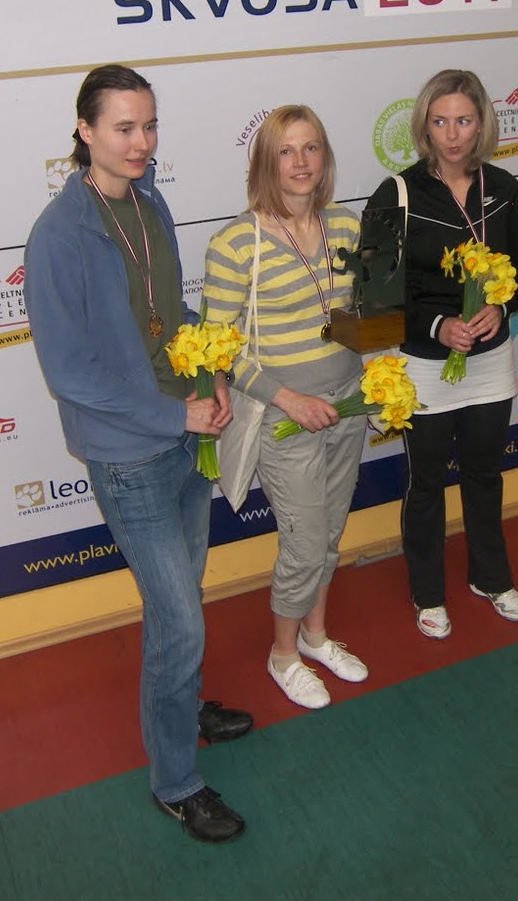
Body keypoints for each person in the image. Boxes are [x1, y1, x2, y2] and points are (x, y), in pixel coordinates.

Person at [23, 64, 252, 845]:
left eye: (149, 126)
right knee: (179, 618)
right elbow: (69, 372)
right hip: (130, 456)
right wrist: (171, 412)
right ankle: (176, 782)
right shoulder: (59, 235)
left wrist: (210, 372)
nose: (141, 143)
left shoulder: (149, 201)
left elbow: (171, 313)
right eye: (123, 127)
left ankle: (182, 709)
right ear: (84, 130)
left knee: (181, 598)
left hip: (185, 430)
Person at [203, 106, 369, 709]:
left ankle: (316, 636)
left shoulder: (346, 225)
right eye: (286, 151)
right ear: (264, 162)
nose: (300, 162)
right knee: (303, 543)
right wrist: (288, 399)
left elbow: (357, 314)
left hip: (347, 404)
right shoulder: (235, 243)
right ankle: (283, 655)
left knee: (330, 534)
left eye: (311, 148)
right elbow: (218, 348)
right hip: (283, 416)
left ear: (325, 157)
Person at [366, 69, 518, 638]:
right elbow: (379, 293)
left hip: (490, 361)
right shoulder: (395, 194)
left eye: (463, 120)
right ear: (424, 127)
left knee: (485, 474)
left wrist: (500, 308)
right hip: (423, 363)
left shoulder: (505, 188)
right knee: (426, 483)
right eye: (440, 122)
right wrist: (438, 326)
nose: (453, 134)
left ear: (481, 122)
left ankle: (491, 577)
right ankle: (428, 591)